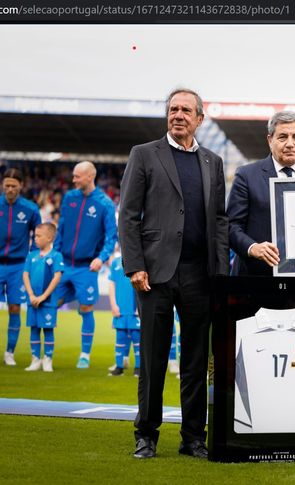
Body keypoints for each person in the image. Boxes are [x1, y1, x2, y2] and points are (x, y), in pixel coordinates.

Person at [119, 87, 228, 459]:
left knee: (196, 362)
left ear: (200, 118)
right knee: (153, 359)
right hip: (155, 274)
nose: (178, 115)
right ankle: (146, 435)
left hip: (200, 275)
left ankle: (193, 438)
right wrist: (134, 265)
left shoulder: (213, 162)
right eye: (173, 109)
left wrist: (221, 271)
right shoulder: (144, 155)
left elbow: (220, 220)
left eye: (186, 110)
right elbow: (128, 214)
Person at [227, 110, 295, 276]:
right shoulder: (246, 176)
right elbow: (231, 226)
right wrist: (253, 248)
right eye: (282, 137)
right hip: (255, 277)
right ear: (270, 140)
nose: (290, 143)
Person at [54, 161, 117, 369]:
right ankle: (44, 355)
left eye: (77, 176)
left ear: (90, 176)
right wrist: (54, 255)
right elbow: (61, 228)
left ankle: (84, 355)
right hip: (64, 264)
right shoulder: (69, 198)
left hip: (87, 267)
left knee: (86, 307)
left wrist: (101, 257)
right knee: (50, 302)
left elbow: (111, 236)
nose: (73, 180)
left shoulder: (105, 204)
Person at [1, 169, 41, 366]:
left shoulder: (30, 209)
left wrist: (32, 256)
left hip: (18, 266)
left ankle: (9, 352)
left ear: (20, 187)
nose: (9, 189)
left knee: (15, 308)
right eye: (6, 185)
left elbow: (39, 234)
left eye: (13, 186)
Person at [22, 223, 63, 373]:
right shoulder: (31, 255)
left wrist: (44, 296)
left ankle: (47, 359)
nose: (35, 238)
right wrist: (32, 295)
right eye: (35, 236)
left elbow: (57, 276)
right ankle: (35, 359)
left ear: (49, 238)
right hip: (32, 301)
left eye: (39, 236)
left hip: (48, 302)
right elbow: (25, 275)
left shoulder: (56, 256)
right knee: (34, 328)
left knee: (47, 329)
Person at [107, 249, 141, 377]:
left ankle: (138, 368)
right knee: (120, 338)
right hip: (120, 310)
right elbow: (111, 284)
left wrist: (139, 307)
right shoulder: (115, 262)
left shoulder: (138, 262)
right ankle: (119, 367)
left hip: (134, 311)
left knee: (137, 339)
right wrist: (113, 305)